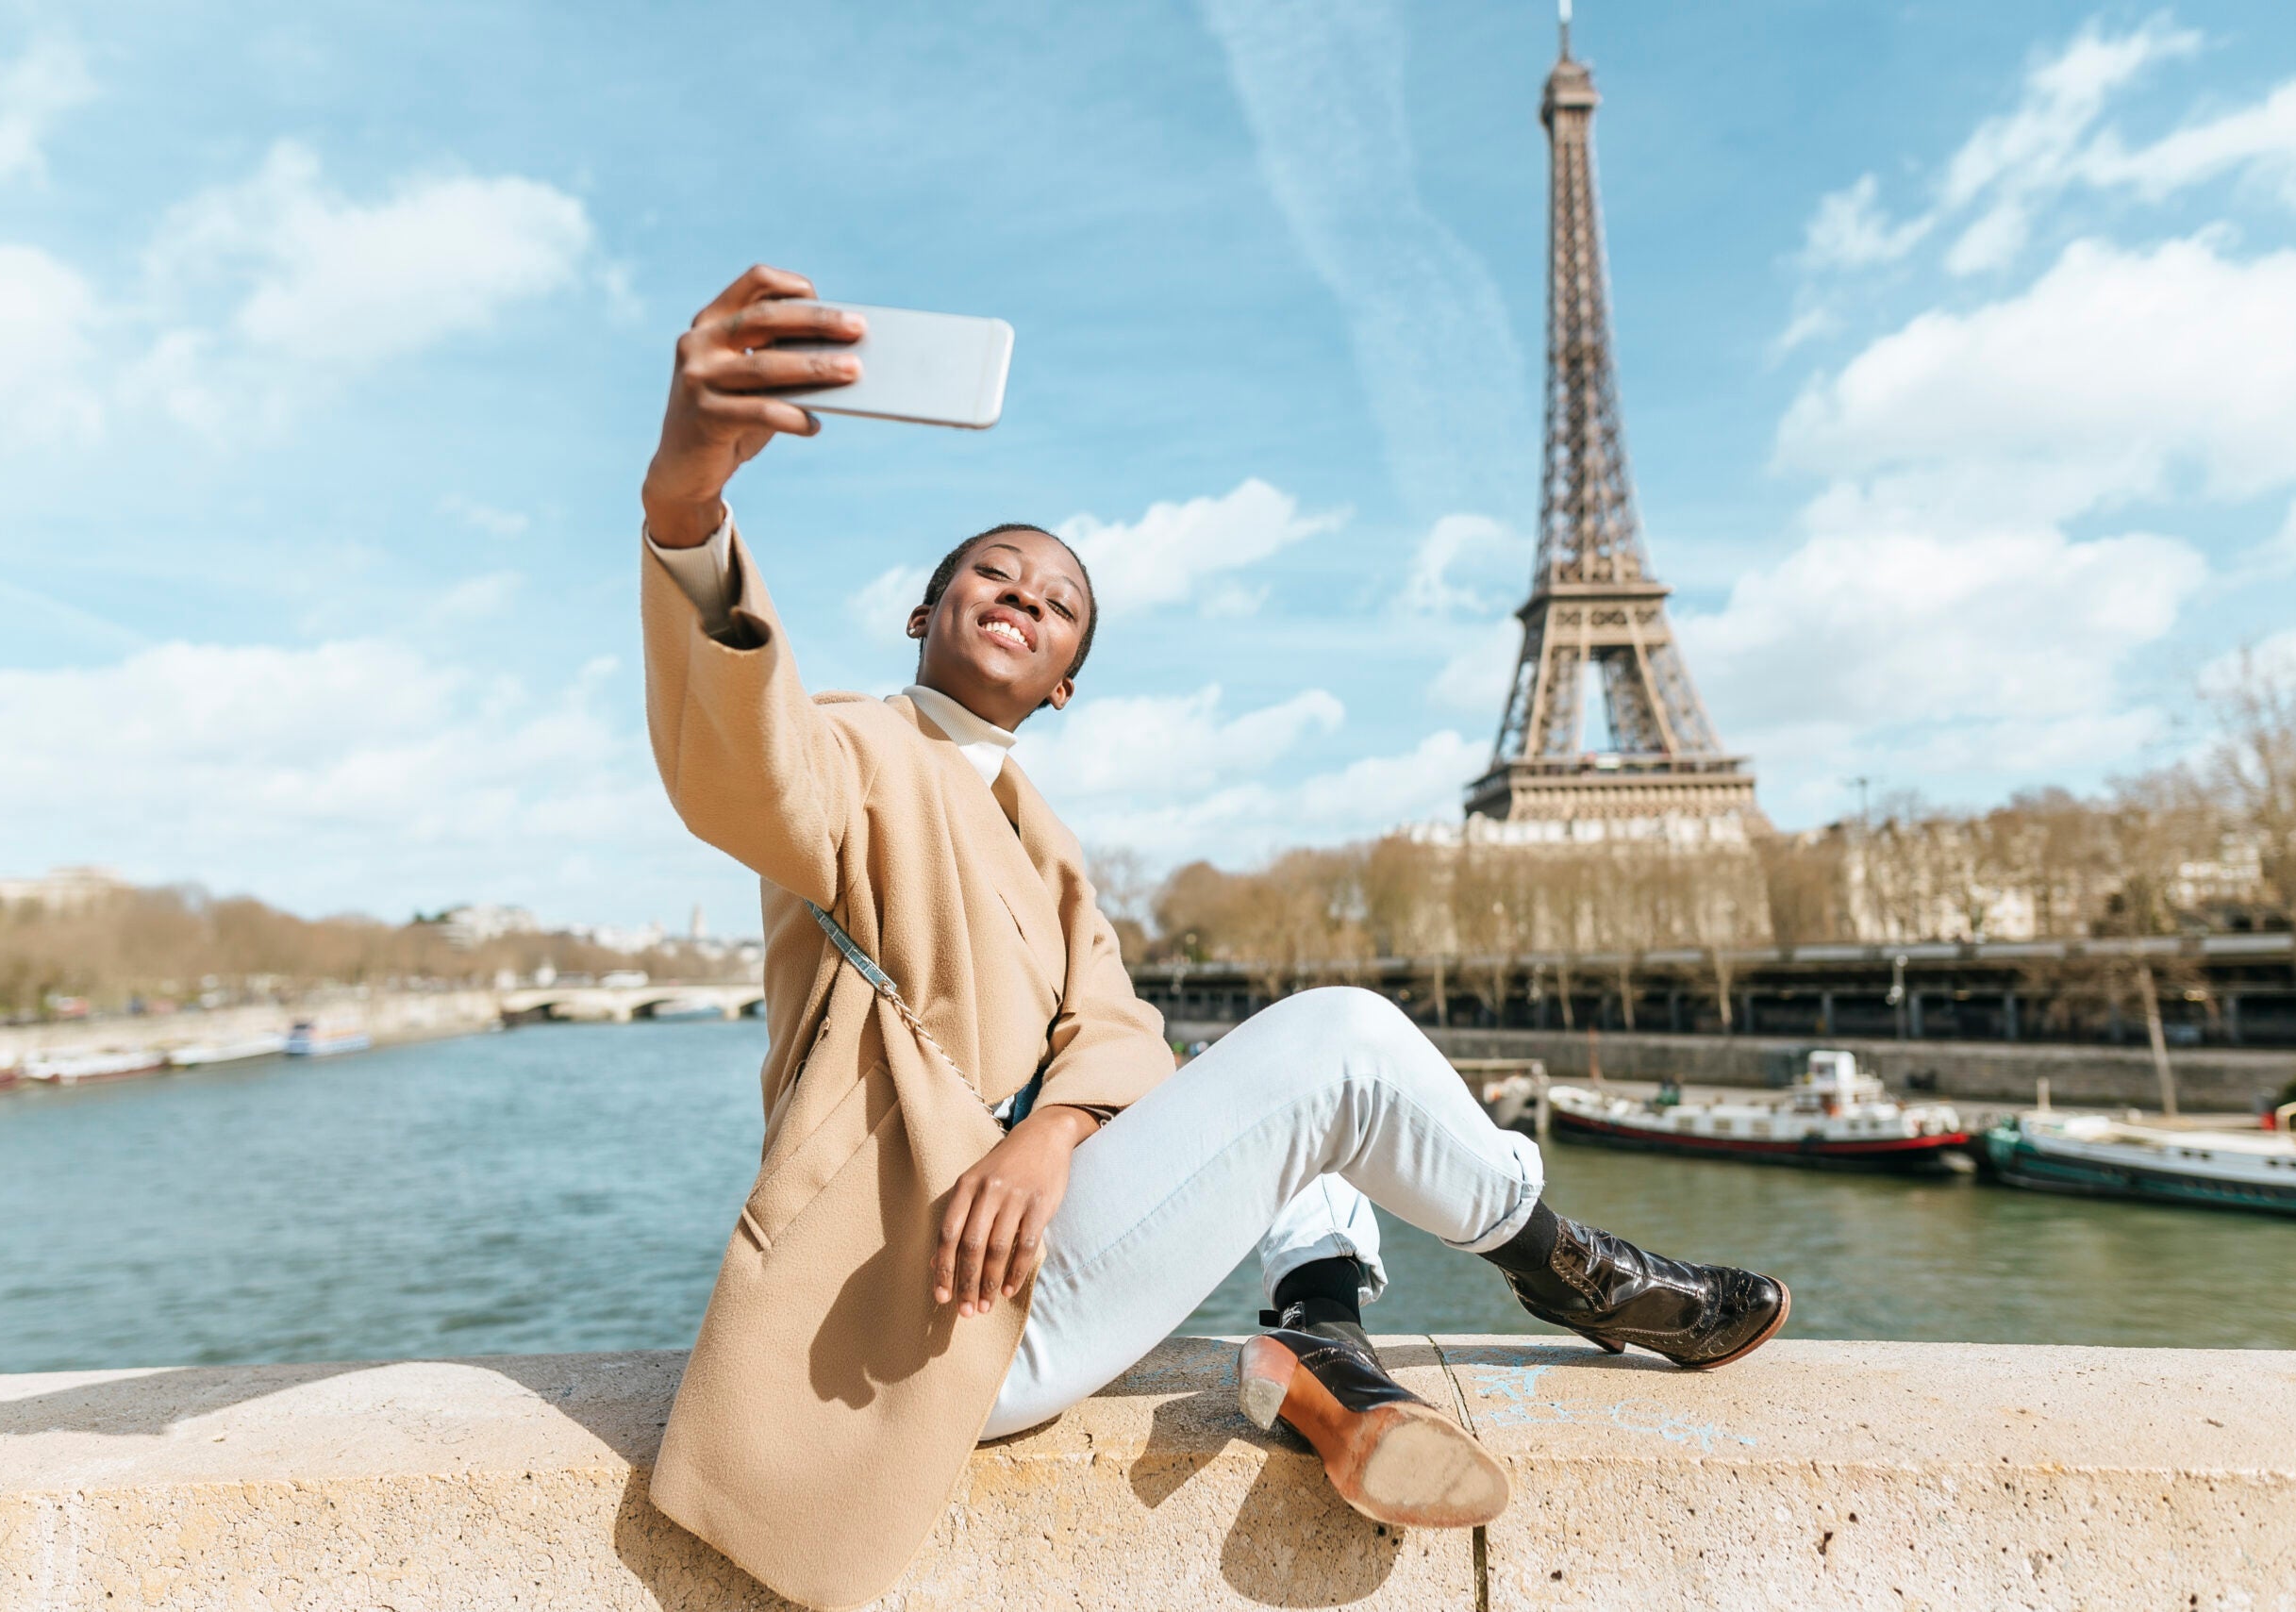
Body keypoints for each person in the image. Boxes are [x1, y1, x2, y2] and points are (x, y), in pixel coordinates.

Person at [636, 267, 1790, 1610]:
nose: (1021, 594)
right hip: (928, 1312)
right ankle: (1567, 1264)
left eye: (1057, 602)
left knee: (1248, 1072)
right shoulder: (853, 751)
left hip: (1032, 1248)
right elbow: (742, 760)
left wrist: (1051, 1131)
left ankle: (1322, 1333)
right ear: (922, 616)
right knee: (1341, 1040)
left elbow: (1118, 1028)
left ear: (1066, 680)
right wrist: (689, 503)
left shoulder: (1043, 834)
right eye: (989, 575)